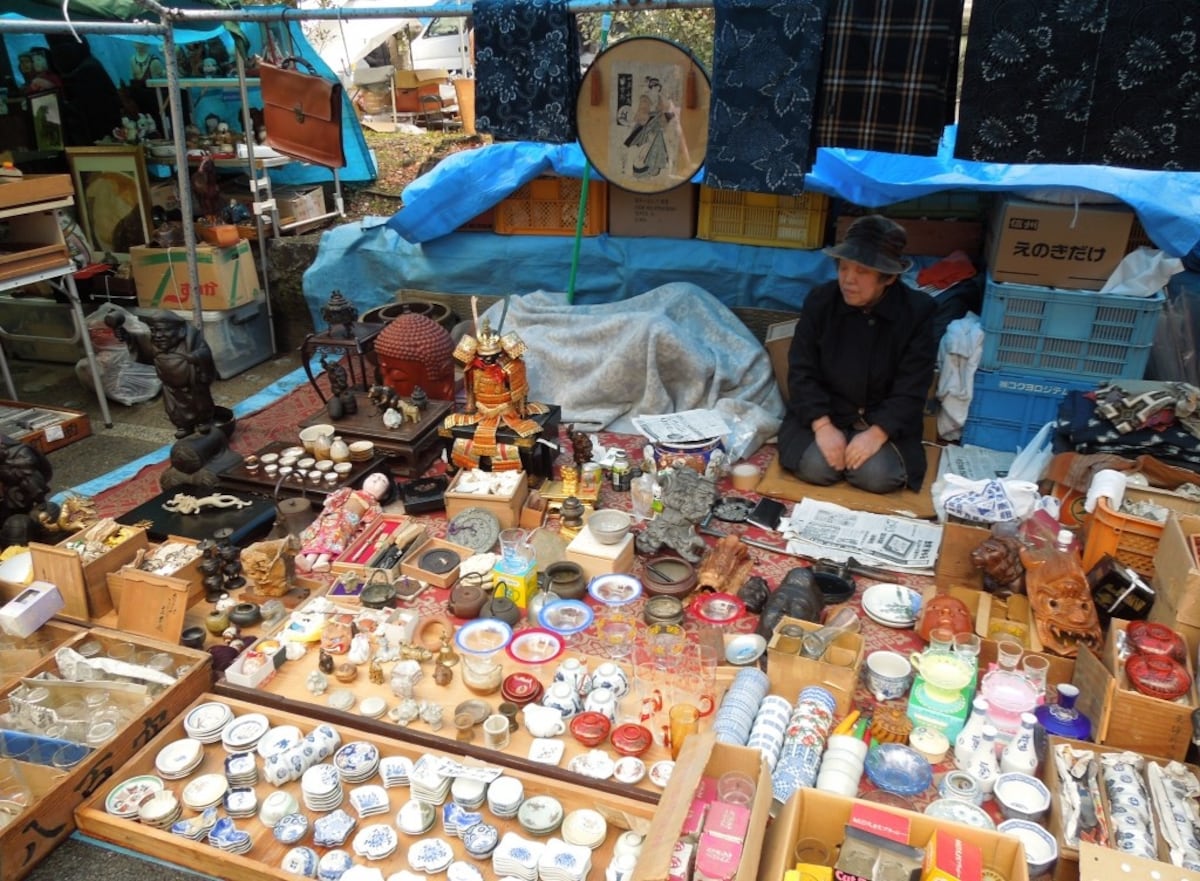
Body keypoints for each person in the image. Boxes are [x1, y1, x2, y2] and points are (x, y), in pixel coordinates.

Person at [778, 215, 936, 494]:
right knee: (818, 467)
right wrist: (822, 426)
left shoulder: (917, 312)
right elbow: (802, 370)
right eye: (843, 268)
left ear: (888, 278)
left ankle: (866, 449)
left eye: (862, 272)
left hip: (884, 421)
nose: (848, 280)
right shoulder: (821, 301)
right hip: (828, 412)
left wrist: (877, 433)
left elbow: (913, 385)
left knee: (875, 476)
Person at [442, 317, 547, 470]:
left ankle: (516, 472)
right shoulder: (473, 367)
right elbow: (470, 389)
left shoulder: (510, 367)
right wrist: (472, 405)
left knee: (516, 440)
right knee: (458, 433)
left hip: (507, 411)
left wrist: (520, 407)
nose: (487, 360)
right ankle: (465, 467)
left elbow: (520, 390)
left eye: (491, 356)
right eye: (483, 357)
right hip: (481, 410)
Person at [295, 472, 393, 573]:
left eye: (382, 481)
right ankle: (308, 561)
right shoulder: (349, 491)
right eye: (373, 476)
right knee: (320, 535)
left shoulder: (373, 505)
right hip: (332, 517)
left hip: (347, 525)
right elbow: (334, 499)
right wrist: (331, 500)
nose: (376, 480)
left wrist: (368, 527)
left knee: (335, 538)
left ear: (383, 494)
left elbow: (372, 520)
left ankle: (321, 562)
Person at [145, 311, 217, 439]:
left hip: (193, 384)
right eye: (154, 331)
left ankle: (204, 421)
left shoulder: (192, 341)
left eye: (163, 331)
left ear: (180, 331)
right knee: (174, 410)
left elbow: (205, 354)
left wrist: (196, 357)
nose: (158, 336)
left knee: (200, 405)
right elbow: (142, 351)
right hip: (170, 387)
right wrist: (127, 338)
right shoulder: (155, 345)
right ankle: (184, 426)